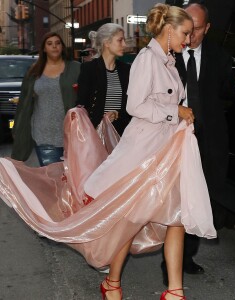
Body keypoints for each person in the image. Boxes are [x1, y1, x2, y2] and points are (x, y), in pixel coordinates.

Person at [0, 3, 216, 300]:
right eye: (185, 33)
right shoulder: (146, 59)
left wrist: (179, 114)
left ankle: (175, 292)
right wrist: (174, 110)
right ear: (169, 30)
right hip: (144, 152)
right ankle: (112, 283)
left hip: (167, 151)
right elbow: (134, 106)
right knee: (130, 221)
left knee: (175, 218)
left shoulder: (168, 61)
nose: (189, 40)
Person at [161, 2, 235, 284]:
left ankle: (187, 256)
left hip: (209, 138)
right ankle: (171, 261)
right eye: (186, 28)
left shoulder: (219, 56)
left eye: (197, 29)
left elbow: (227, 87)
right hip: (175, 137)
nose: (189, 36)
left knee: (200, 196)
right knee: (176, 198)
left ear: (208, 28)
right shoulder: (168, 54)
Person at [11, 32, 81, 166]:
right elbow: (23, 103)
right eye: (49, 44)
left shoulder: (76, 68)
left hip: (73, 133)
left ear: (62, 47)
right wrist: (18, 128)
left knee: (73, 180)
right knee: (52, 179)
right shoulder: (33, 72)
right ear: (44, 48)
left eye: (58, 43)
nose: (54, 47)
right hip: (43, 134)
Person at [77, 23, 131, 136]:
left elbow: (131, 104)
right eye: (120, 40)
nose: (124, 45)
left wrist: (117, 113)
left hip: (122, 134)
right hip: (95, 134)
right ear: (106, 43)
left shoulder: (126, 70)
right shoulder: (89, 69)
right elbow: (81, 104)